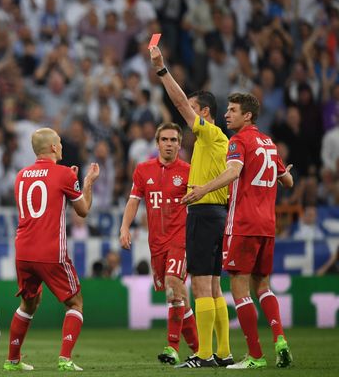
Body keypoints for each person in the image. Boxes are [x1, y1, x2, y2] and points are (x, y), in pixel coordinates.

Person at [183, 93, 294, 369]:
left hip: (243, 224)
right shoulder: (269, 143)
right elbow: (288, 181)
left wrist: (202, 190)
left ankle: (255, 356)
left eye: (233, 111)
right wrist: (281, 173)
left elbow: (233, 172)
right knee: (263, 286)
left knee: (239, 288)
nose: (227, 115)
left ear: (248, 116)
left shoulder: (238, 141)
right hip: (268, 226)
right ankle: (280, 339)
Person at [150, 45, 232, 368]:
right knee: (213, 286)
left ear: (205, 114)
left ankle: (203, 354)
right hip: (218, 213)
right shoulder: (220, 142)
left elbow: (180, 103)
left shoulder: (210, 134)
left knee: (199, 286)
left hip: (203, 213)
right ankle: (223, 353)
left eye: (196, 110)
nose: (189, 115)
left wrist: (161, 70)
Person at [4, 128, 99, 372]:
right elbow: (83, 210)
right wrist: (86, 183)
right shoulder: (65, 174)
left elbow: (44, 199)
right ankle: (65, 359)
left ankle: (12, 360)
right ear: (54, 148)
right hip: (50, 252)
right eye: (59, 143)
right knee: (75, 303)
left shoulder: (21, 175)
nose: (63, 147)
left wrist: (70, 181)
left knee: (29, 304)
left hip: (23, 251)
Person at [119, 123, 199, 365]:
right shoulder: (143, 170)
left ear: (179, 144)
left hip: (180, 239)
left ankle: (172, 347)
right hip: (157, 244)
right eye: (164, 139)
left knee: (175, 286)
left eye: (174, 140)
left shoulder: (189, 171)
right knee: (176, 297)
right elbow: (133, 201)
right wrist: (124, 227)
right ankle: (200, 349)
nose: (169, 144)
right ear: (157, 143)